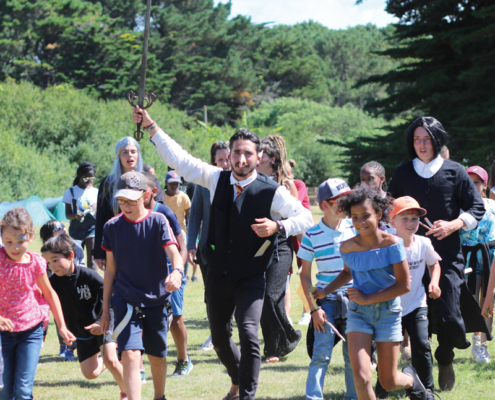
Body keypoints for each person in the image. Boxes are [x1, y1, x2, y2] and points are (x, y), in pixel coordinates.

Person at [132, 107, 313, 400]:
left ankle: (247, 395)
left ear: (259, 157)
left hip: (252, 275)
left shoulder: (272, 191)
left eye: (248, 154)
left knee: (250, 333)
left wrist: (278, 225)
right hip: (217, 274)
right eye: (237, 153)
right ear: (229, 155)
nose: (242, 159)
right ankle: (239, 378)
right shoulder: (215, 179)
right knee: (219, 339)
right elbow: (179, 159)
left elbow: (306, 218)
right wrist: (151, 125)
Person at [388, 116, 490, 391]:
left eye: (426, 139)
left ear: (437, 141)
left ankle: (444, 357)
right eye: (417, 139)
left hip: (446, 256)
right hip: (406, 256)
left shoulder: (455, 171)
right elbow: (389, 208)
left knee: (448, 317)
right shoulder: (402, 172)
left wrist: (455, 223)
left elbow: (476, 208)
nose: (421, 144)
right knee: (402, 315)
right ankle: (398, 375)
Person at [314, 187, 428, 400]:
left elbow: (404, 285)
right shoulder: (348, 247)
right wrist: (325, 290)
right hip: (358, 314)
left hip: (389, 313)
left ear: (378, 213)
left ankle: (412, 380)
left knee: (389, 381)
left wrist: (368, 298)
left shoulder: (392, 244)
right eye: (355, 217)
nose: (360, 222)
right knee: (362, 377)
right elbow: (348, 272)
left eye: (365, 215)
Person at [100, 171, 183, 400]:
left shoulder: (158, 221)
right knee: (130, 353)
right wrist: (105, 309)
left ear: (145, 196)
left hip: (156, 300)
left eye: (131, 200)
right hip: (125, 300)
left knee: (157, 354)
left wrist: (177, 271)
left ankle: (159, 396)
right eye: (121, 200)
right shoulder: (111, 227)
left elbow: (174, 253)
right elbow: (110, 270)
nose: (125, 205)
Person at [0, 208, 76, 400]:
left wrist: (62, 326)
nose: (14, 247)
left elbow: (50, 294)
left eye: (20, 241)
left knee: (23, 390)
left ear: (31, 237)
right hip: (3, 334)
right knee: (5, 391)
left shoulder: (37, 262)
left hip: (30, 331)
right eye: (8, 241)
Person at [41, 233, 127, 400]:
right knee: (91, 373)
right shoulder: (53, 285)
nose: (52, 266)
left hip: (102, 324)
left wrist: (102, 320)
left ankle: (127, 392)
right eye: (48, 263)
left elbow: (110, 297)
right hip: (81, 333)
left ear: (70, 255)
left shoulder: (88, 275)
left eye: (55, 260)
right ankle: (117, 356)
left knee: (110, 361)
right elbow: (47, 307)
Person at [375, 196, 442, 398]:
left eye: (414, 219)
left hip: (416, 303)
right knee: (388, 351)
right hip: (391, 307)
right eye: (404, 218)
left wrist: (434, 282)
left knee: (422, 345)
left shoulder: (423, 243)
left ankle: (426, 389)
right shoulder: (386, 245)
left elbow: (434, 263)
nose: (411, 223)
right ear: (392, 221)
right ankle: (382, 388)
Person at [298, 178, 357, 400]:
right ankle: (313, 397)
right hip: (326, 304)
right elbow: (304, 276)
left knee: (352, 354)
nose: (348, 205)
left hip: (354, 300)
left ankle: (353, 395)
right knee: (321, 354)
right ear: (325, 205)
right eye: (342, 201)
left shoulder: (355, 228)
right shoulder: (311, 235)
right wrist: (313, 310)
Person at [142, 172, 193, 377]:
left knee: (175, 318)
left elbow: (182, 245)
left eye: (140, 191)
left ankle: (183, 360)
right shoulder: (131, 214)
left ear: (153, 192)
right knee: (142, 316)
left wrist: (177, 271)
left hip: (170, 270)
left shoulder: (164, 212)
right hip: (145, 272)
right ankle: (139, 367)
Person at [256, 135, 302, 363]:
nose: (255, 159)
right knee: (264, 296)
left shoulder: (286, 184)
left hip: (281, 245)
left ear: (271, 159)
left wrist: (302, 254)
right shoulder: (251, 182)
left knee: (271, 295)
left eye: (260, 155)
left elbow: (297, 219)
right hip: (256, 245)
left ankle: (285, 339)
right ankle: (275, 347)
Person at [94, 136, 164, 270]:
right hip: (117, 242)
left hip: (146, 239)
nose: (129, 155)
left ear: (138, 154)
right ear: (118, 156)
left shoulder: (150, 180)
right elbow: (101, 218)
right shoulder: (108, 183)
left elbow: (160, 209)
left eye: (133, 151)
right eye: (124, 152)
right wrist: (99, 252)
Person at [187, 141, 231, 351]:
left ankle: (225, 334)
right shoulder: (203, 182)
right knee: (211, 293)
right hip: (208, 248)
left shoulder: (240, 181)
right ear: (213, 159)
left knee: (234, 293)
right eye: (220, 159)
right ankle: (216, 334)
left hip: (233, 249)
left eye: (227, 159)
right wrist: (191, 244)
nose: (224, 164)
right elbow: (195, 214)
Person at [461, 166, 495, 363]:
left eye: (477, 182)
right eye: (469, 181)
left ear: (484, 184)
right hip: (468, 259)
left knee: (488, 300)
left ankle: (483, 345)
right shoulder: (459, 205)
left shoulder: (492, 204)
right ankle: (474, 338)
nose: (473, 186)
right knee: (472, 301)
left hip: (490, 256)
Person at [40, 219, 84, 359]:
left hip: (75, 287)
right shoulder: (44, 257)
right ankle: (64, 347)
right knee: (62, 317)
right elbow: (45, 279)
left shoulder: (76, 246)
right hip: (57, 291)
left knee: (79, 315)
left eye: (63, 225)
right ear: (50, 235)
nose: (64, 228)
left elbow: (81, 265)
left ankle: (81, 344)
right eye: (58, 227)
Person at [63, 161, 98, 270]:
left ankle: (94, 285)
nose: (89, 180)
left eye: (92, 178)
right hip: (76, 230)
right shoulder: (70, 192)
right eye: (86, 177)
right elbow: (68, 215)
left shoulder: (96, 192)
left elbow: (100, 212)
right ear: (79, 176)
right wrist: (75, 216)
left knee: (92, 261)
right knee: (76, 260)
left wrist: (95, 209)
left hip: (91, 229)